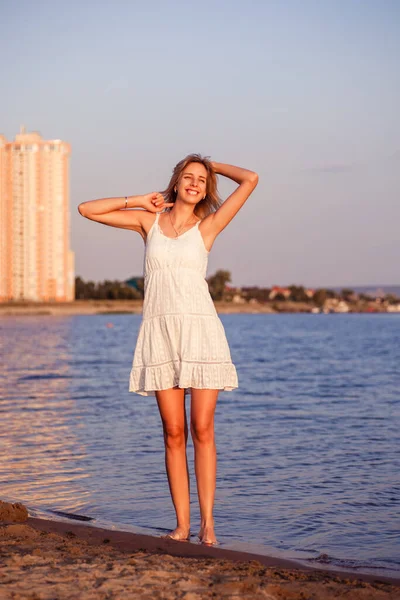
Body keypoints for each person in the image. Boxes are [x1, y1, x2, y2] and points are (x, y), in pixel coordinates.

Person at [78, 154, 258, 545]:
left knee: (202, 428)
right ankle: (182, 524)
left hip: (201, 332)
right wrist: (138, 199)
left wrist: (212, 165)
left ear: (207, 187)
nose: (194, 183)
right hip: (160, 333)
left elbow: (250, 179)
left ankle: (208, 524)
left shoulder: (208, 226)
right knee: (173, 432)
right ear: (175, 181)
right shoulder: (149, 223)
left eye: (201, 179)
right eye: (188, 176)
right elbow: (86, 209)